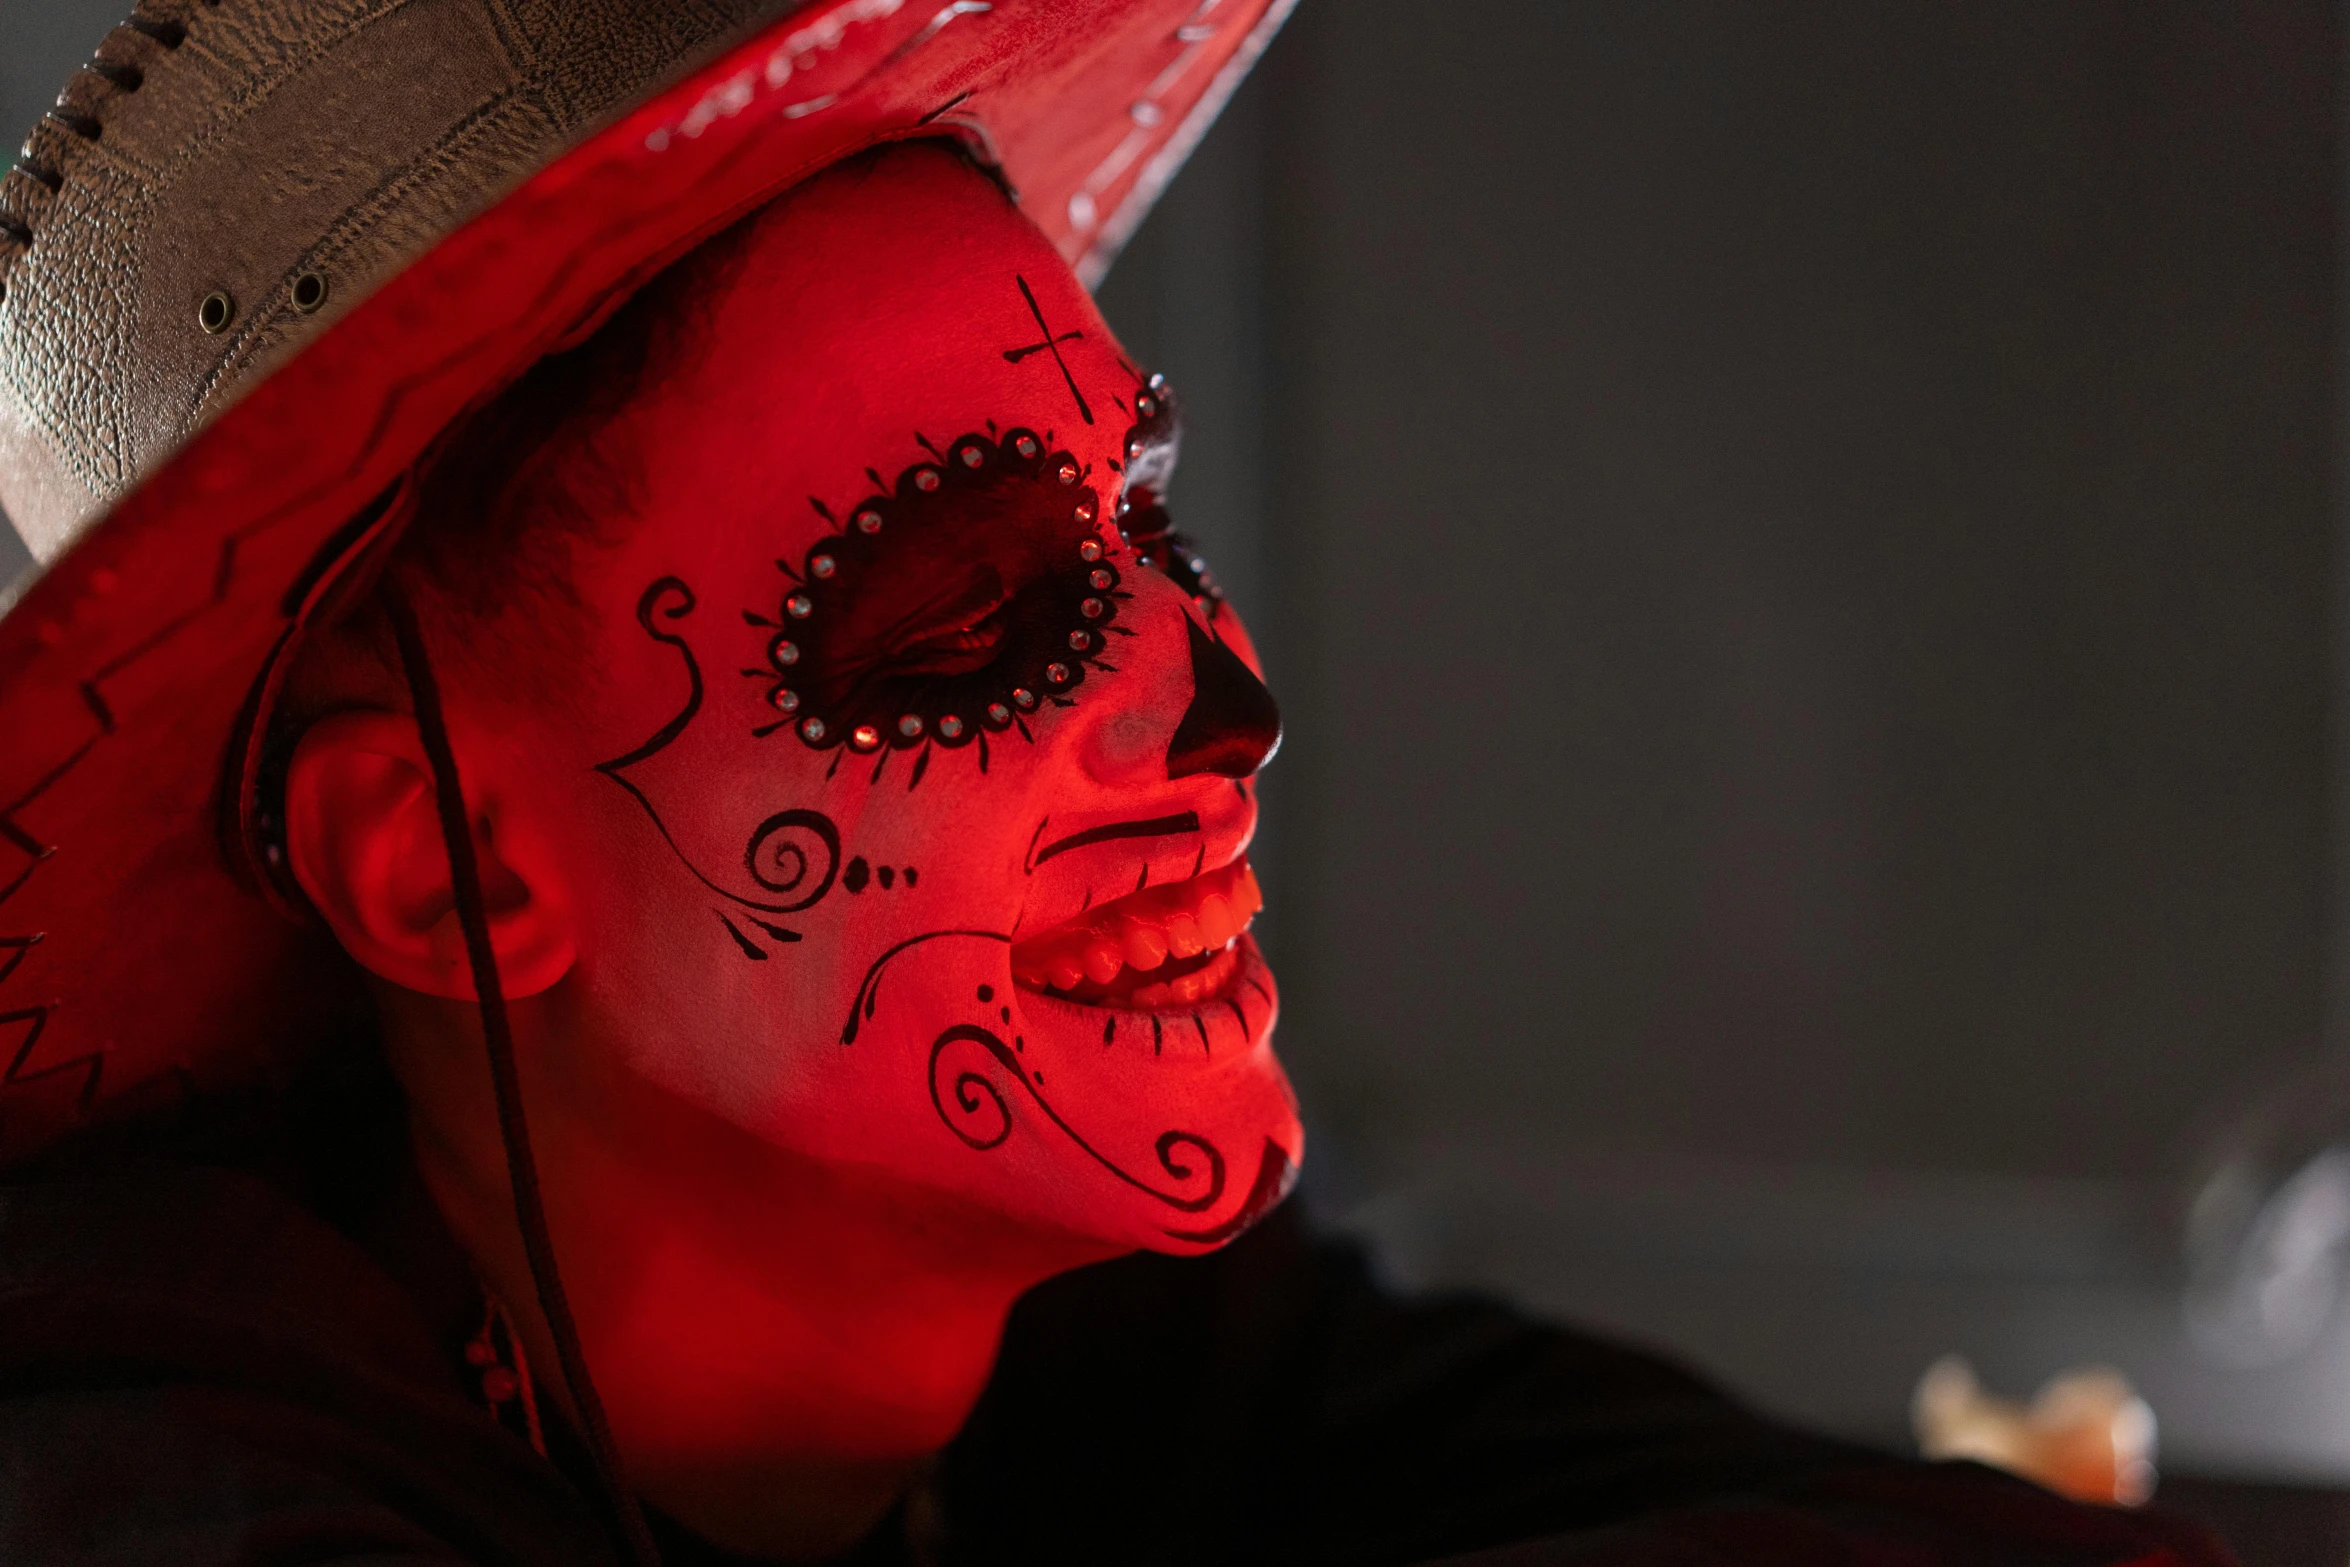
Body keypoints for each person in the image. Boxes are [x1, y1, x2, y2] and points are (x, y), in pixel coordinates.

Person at [0, 3, 2240, 1563]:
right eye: (965, 600)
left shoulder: (1123, 1349)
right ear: (452, 874)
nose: (1222, 694)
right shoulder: (118, 1445)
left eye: (1141, 530)